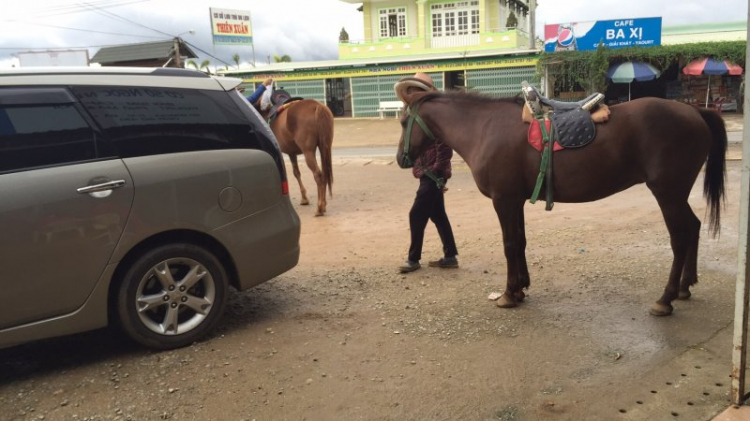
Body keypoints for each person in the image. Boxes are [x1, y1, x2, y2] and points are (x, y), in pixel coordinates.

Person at [397, 73, 459, 274]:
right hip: (426, 172)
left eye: (417, 90)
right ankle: (450, 256)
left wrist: (438, 171)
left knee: (416, 215)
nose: (413, 94)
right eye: (411, 91)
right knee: (438, 215)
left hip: (432, 174)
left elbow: (445, 145)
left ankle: (413, 259)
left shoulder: (434, 115)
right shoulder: (417, 114)